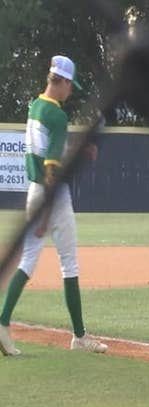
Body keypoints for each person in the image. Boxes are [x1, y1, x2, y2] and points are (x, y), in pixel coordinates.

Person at [0, 55, 107, 355]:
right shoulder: (57, 116)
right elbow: (51, 169)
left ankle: (3, 321)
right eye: (70, 85)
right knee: (69, 263)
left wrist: (79, 149)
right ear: (62, 81)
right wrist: (46, 215)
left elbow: (50, 151)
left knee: (27, 260)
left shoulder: (35, 106)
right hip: (52, 196)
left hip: (33, 191)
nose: (71, 91)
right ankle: (79, 336)